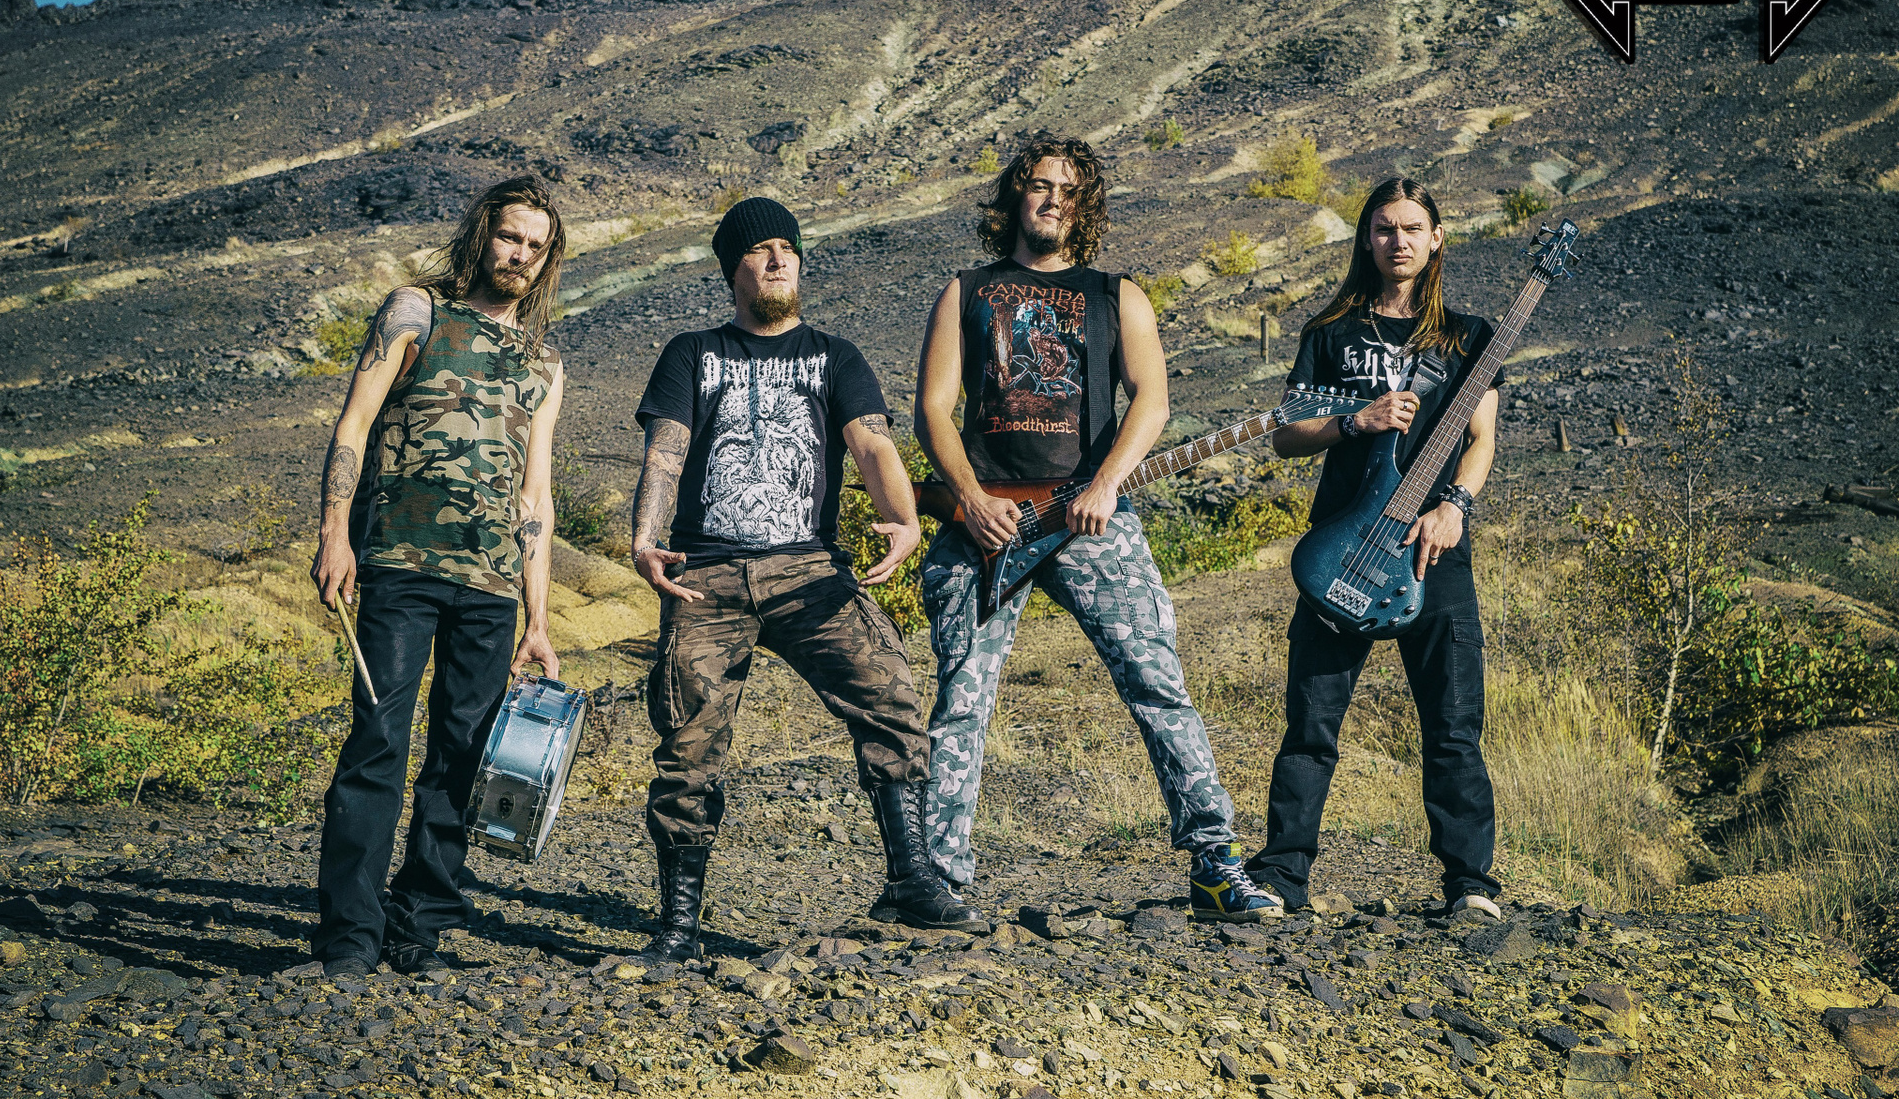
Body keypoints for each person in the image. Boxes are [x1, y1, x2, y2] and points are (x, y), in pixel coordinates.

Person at [914, 136, 1273, 921]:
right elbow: (933, 409)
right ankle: (936, 879)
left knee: (1157, 683)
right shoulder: (966, 291)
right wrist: (970, 498)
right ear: (1015, 196)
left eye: (1069, 190)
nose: (1053, 200)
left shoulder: (1118, 295)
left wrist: (1107, 483)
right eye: (1039, 185)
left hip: (1091, 517)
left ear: (1086, 207)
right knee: (960, 701)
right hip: (987, 525)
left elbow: (1153, 400)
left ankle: (1215, 862)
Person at [631, 196, 982, 963]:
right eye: (760, 250)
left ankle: (912, 879)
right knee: (688, 745)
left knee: (890, 694)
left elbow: (873, 444)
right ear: (732, 269)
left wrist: (902, 517)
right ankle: (679, 928)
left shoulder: (835, 356)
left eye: (788, 248)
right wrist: (644, 537)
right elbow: (666, 449)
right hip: (706, 575)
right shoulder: (692, 352)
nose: (778, 259)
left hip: (810, 569)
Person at [311, 174, 568, 976]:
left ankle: (416, 928)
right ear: (483, 233)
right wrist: (334, 534)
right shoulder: (416, 311)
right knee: (378, 743)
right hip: (399, 562)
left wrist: (539, 619)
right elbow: (354, 422)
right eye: (510, 236)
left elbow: (536, 496)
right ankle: (349, 938)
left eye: (535, 246)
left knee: (464, 755)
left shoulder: (545, 362)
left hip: (491, 585)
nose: (519, 255)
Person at [1251, 176, 1504, 919]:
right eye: (1386, 227)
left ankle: (1470, 885)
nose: (1399, 240)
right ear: (1367, 238)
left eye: (1413, 228)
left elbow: (1481, 440)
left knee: (1453, 728)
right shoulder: (1330, 332)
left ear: (1437, 239)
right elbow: (1286, 435)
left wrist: (1455, 506)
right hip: (1345, 549)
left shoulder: (1470, 338)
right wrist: (1353, 422)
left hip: (1434, 551)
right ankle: (1282, 878)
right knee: (1311, 725)